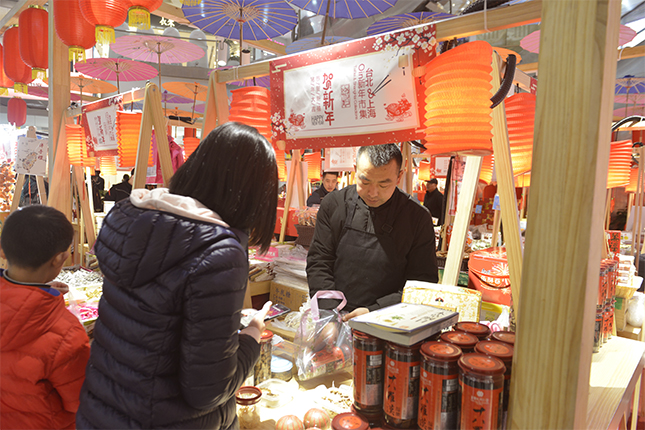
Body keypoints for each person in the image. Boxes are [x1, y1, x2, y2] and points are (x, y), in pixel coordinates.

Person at [76, 122, 278, 429]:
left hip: (102, 410)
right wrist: (252, 335)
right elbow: (209, 390)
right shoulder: (219, 252)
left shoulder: (130, 215)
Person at [306, 144, 439, 321]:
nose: (373, 193)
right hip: (335, 315)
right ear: (355, 170)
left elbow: (422, 282)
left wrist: (376, 311)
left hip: (389, 319)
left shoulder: (417, 217)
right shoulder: (334, 204)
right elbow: (319, 261)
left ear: (399, 176)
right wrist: (329, 312)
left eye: (384, 184)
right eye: (365, 182)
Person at [0, 205, 90, 429]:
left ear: (2, 251)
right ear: (59, 259)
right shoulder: (66, 334)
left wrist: (39, 291)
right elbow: (80, 402)